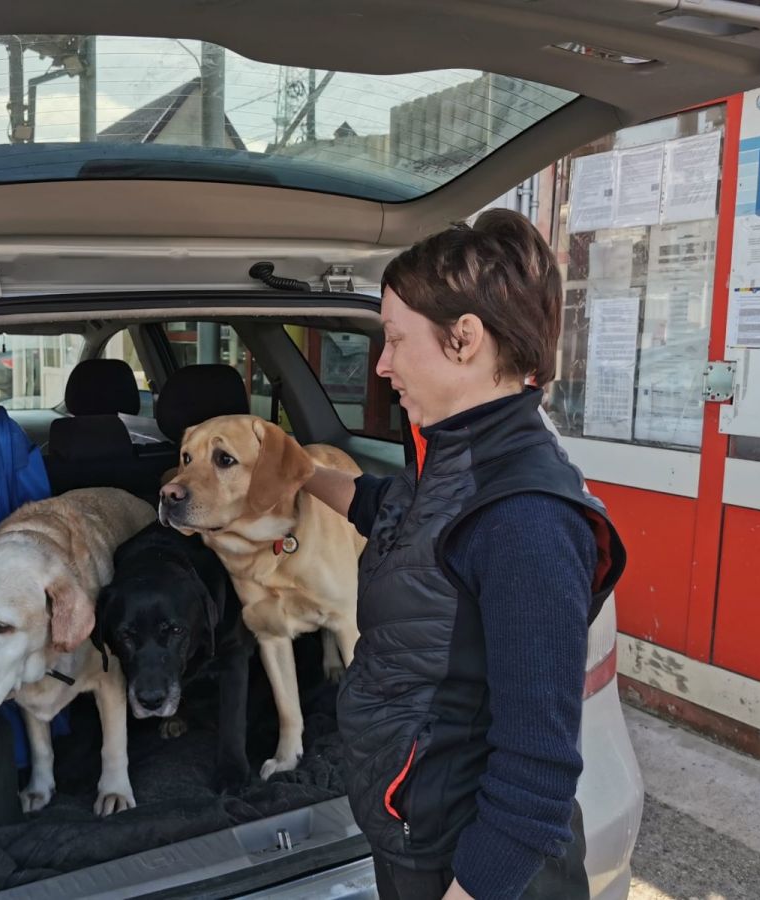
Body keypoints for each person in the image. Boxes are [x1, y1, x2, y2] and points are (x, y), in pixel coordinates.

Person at [303, 209, 626, 900]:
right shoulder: (458, 461)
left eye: (395, 339)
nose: (382, 364)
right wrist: (299, 473)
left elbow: (537, 774)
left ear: (465, 339)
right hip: (419, 830)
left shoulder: (527, 519)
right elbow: (394, 512)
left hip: (474, 868)